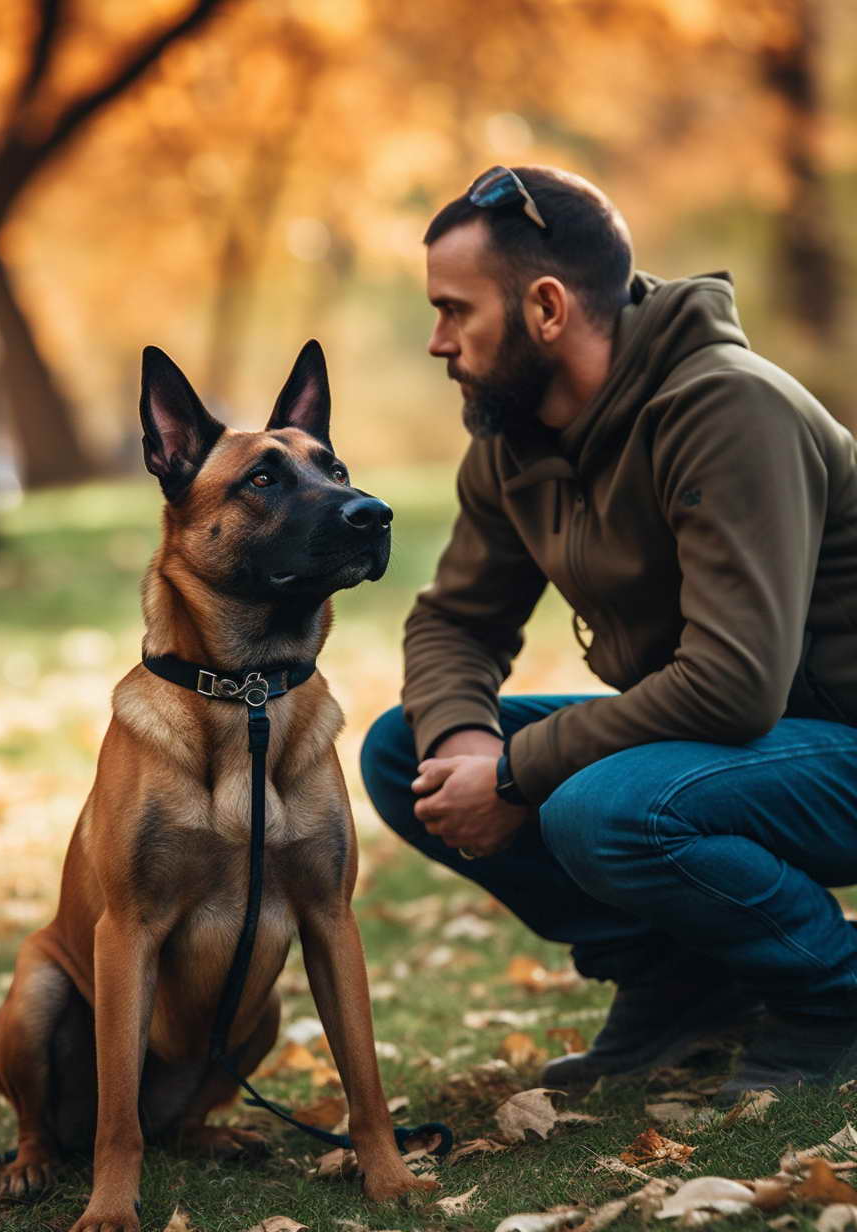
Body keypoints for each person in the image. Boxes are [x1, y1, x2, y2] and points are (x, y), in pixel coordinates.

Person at [360, 165, 857, 1100]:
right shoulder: (518, 439)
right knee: (403, 754)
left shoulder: (729, 408)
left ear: (546, 308)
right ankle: (679, 983)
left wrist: (514, 772)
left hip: (837, 743)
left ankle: (833, 993)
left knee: (602, 808)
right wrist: (466, 744)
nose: (438, 341)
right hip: (744, 747)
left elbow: (732, 686)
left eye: (456, 310)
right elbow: (455, 620)